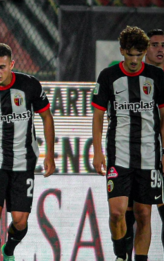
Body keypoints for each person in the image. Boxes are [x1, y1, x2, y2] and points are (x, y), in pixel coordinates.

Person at [0, 43, 55, 261]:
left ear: (11, 65)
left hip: (24, 162)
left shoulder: (29, 85)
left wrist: (50, 155)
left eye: (2, 67)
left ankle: (9, 251)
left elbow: (47, 117)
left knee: (20, 221)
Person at [92, 26, 164, 261]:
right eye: (130, 54)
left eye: (139, 55)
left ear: (144, 52)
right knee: (116, 212)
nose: (134, 60)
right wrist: (98, 152)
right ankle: (119, 252)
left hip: (149, 154)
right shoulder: (108, 76)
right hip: (118, 153)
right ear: (122, 51)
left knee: (144, 213)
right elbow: (98, 115)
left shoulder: (157, 78)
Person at [124, 28, 164, 261]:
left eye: (163, 45)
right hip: (137, 157)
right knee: (132, 214)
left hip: (158, 156)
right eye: (155, 44)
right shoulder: (130, 79)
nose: (160, 49)